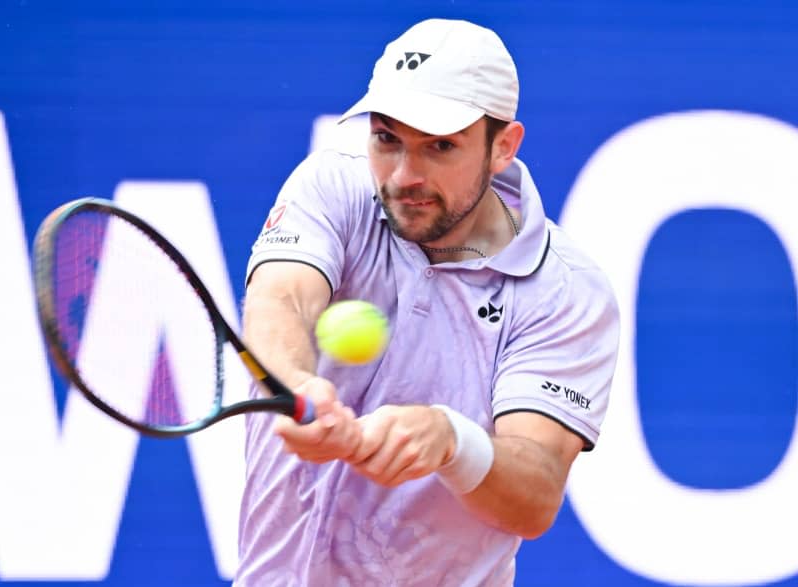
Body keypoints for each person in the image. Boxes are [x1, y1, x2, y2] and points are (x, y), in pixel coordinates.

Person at [234, 18, 620, 587]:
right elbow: (281, 298)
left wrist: (451, 441)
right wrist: (292, 381)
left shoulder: (565, 292)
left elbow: (535, 494)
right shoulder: (331, 186)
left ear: (503, 148)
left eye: (439, 146)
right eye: (387, 139)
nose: (404, 175)